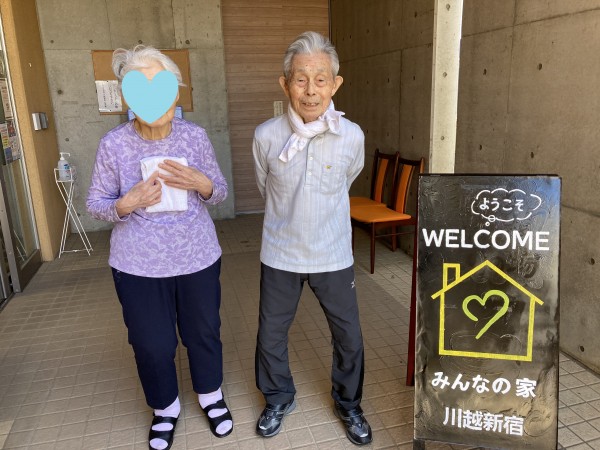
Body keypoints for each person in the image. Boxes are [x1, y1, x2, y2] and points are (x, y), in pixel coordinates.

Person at [87, 45, 233, 450]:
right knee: (152, 344)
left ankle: (211, 395)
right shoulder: (113, 145)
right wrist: (126, 203)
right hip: (138, 264)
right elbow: (95, 204)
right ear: (129, 98)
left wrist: (201, 183)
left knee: (204, 333)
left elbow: (219, 191)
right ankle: (165, 408)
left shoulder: (195, 137)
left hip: (197, 256)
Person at [252, 31, 372, 445]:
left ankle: (349, 404)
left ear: (335, 84)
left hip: (333, 253)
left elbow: (348, 178)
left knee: (349, 336)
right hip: (280, 253)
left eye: (320, 80)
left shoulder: (351, 135)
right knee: (270, 335)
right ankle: (278, 397)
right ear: (285, 84)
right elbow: (266, 187)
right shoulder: (266, 135)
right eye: (300, 79)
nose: (310, 90)